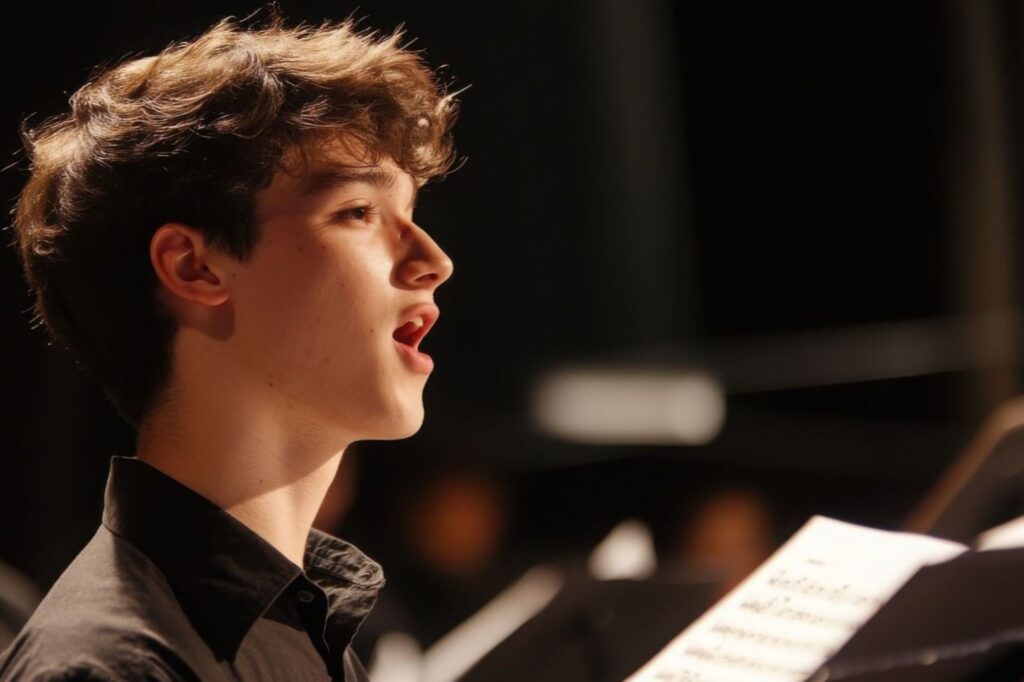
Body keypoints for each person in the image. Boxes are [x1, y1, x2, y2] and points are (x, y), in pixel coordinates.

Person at [0, 13, 457, 681]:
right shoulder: (109, 665)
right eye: (358, 211)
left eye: (411, 215)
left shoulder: (303, 629)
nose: (433, 261)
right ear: (195, 267)